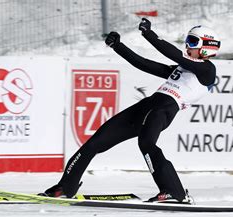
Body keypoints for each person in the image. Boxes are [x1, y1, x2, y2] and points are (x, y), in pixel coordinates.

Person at [39, 18, 221, 204]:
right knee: (96, 142)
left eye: (192, 42)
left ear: (207, 47)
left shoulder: (207, 71)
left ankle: (175, 192)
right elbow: (144, 64)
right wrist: (118, 46)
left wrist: (148, 34)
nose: (186, 46)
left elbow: (175, 55)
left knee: (147, 144)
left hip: (163, 110)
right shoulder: (184, 68)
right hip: (147, 106)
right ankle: (65, 187)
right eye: (187, 41)